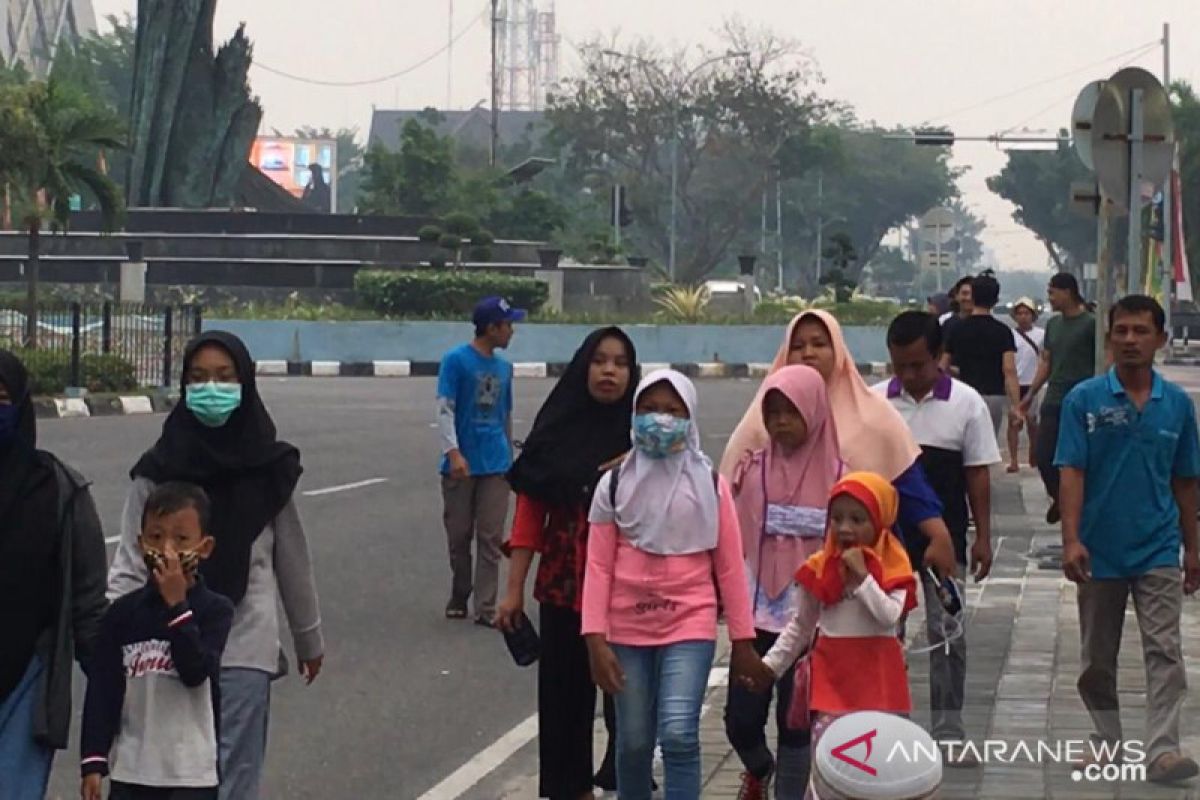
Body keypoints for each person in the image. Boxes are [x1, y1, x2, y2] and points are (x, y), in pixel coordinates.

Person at [109, 331, 324, 800]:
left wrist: (308, 638)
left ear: (245, 383)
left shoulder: (271, 469)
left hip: (245, 644)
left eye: (225, 378)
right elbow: (128, 562)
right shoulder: (157, 469)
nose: (212, 387)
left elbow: (291, 559)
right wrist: (109, 639)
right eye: (199, 378)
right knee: (172, 778)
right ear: (184, 386)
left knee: (233, 774)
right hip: (162, 651)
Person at [583, 369, 759, 799]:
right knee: (635, 740)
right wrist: (594, 638)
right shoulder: (614, 484)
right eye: (649, 410)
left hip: (690, 622)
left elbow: (730, 567)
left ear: (689, 418)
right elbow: (598, 565)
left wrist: (742, 641)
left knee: (679, 734)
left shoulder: (711, 486)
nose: (660, 420)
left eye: (672, 411)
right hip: (626, 628)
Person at [1056, 295, 1200, 785]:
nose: (1131, 340)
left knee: (1165, 650)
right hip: (1099, 549)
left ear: (1160, 339)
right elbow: (1071, 471)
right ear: (1109, 338)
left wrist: (1192, 546)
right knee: (1097, 658)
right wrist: (1071, 539)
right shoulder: (1085, 400)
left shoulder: (1176, 405)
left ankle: (1163, 749)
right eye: (1122, 331)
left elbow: (1185, 480)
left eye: (1141, 331)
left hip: (1158, 546)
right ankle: (1107, 740)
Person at [498, 327, 639, 799]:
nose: (609, 371)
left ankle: (626, 781)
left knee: (628, 700)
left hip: (629, 589)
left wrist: (643, 459)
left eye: (620, 363)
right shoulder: (556, 431)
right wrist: (513, 588)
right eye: (599, 361)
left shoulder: (643, 434)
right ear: (583, 367)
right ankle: (568, 788)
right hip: (564, 583)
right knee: (563, 699)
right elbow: (531, 511)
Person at [721, 309, 958, 580]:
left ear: (838, 351)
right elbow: (729, 498)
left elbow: (908, 484)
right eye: (797, 347)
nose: (808, 353)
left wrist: (937, 533)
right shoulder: (761, 420)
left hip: (860, 574)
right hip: (773, 579)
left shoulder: (873, 415)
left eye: (819, 344)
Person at [876, 311, 1001, 765]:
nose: (909, 376)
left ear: (938, 358)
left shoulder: (966, 404)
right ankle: (892, 730)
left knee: (947, 631)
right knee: (885, 634)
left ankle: (949, 730)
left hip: (944, 542)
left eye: (918, 366)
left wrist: (982, 536)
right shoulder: (875, 404)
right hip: (884, 544)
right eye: (899, 366)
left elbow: (977, 475)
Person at [724, 365, 843, 799]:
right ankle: (759, 767)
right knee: (740, 719)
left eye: (790, 412)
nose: (780, 423)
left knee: (795, 725)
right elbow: (732, 538)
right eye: (771, 413)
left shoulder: (840, 476)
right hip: (755, 618)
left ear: (813, 410)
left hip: (810, 622)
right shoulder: (750, 470)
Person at [743, 473, 916, 764]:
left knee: (877, 769)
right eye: (837, 518)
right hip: (831, 684)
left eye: (858, 520)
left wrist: (863, 578)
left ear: (880, 521)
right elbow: (801, 626)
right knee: (833, 764)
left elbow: (888, 617)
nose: (845, 528)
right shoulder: (820, 568)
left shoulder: (894, 567)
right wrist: (770, 667)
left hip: (881, 684)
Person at [81, 483, 235, 800]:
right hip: (133, 768)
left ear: (204, 548)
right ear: (140, 544)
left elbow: (196, 671)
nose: (166, 550)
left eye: (180, 539)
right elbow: (103, 688)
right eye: (155, 537)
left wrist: (178, 607)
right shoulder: (123, 614)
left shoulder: (214, 611)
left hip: (190, 773)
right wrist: (93, 761)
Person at [0, 349, 108, 799]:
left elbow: (88, 606)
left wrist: (116, 690)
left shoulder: (61, 491)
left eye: (1, 397)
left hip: (27, 683)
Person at [438, 296, 524, 626]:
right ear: (492, 328)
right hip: (461, 463)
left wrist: (511, 458)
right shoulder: (456, 361)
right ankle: (460, 591)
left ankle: (486, 607)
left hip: (496, 464)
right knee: (459, 535)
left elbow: (505, 413)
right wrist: (453, 453)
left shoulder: (505, 369)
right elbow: (445, 408)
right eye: (508, 325)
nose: (512, 332)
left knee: (490, 536)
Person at [1019, 272, 1095, 524]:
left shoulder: (1091, 324)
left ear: (1068, 292)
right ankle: (1061, 500)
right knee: (1043, 455)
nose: (1050, 298)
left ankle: (1077, 504)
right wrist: (1030, 394)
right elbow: (1046, 362)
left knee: (1076, 458)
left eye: (1053, 292)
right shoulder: (1053, 325)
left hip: (1082, 401)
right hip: (1054, 397)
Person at [941, 273, 1022, 436]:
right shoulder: (1002, 331)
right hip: (993, 397)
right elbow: (1009, 370)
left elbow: (942, 366)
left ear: (973, 296)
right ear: (995, 300)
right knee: (987, 445)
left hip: (963, 395)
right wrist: (1015, 407)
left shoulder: (956, 329)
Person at [1008, 297, 1045, 473]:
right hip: (1015, 384)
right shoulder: (1009, 335)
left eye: (1027, 313)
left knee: (1032, 422)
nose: (1023, 317)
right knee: (1014, 422)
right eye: (1020, 313)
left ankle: (1034, 453)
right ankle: (1014, 460)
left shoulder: (1041, 335)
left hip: (1032, 384)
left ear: (1033, 315)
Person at [940, 275, 975, 339]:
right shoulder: (947, 324)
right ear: (956, 296)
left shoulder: (986, 325)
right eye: (965, 293)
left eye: (973, 294)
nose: (969, 298)